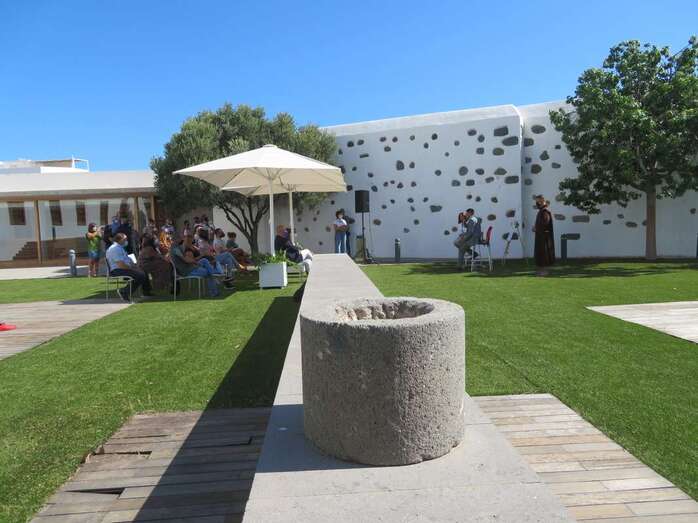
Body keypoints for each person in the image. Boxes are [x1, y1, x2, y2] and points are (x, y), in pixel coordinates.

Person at [106, 233, 152, 301]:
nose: (126, 241)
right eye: (125, 239)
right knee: (140, 275)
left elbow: (128, 260)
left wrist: (135, 266)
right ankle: (124, 291)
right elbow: (121, 265)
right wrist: (133, 269)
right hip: (117, 270)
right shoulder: (114, 249)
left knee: (143, 271)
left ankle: (146, 292)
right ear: (120, 240)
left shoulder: (120, 248)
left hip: (123, 268)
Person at [533, 195, 555, 276]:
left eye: (538, 201)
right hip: (540, 236)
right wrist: (535, 227)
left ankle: (544, 272)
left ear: (542, 201)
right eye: (537, 202)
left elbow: (545, 223)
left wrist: (537, 228)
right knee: (540, 254)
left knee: (544, 254)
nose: (537, 203)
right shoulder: (541, 211)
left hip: (544, 238)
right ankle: (540, 270)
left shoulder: (545, 212)